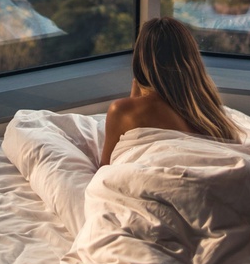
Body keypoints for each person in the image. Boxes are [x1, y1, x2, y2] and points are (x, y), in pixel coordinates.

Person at [100, 16, 242, 166]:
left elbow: (105, 170)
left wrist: (133, 99)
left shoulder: (123, 111)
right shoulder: (210, 114)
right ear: (191, 59)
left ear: (141, 60)